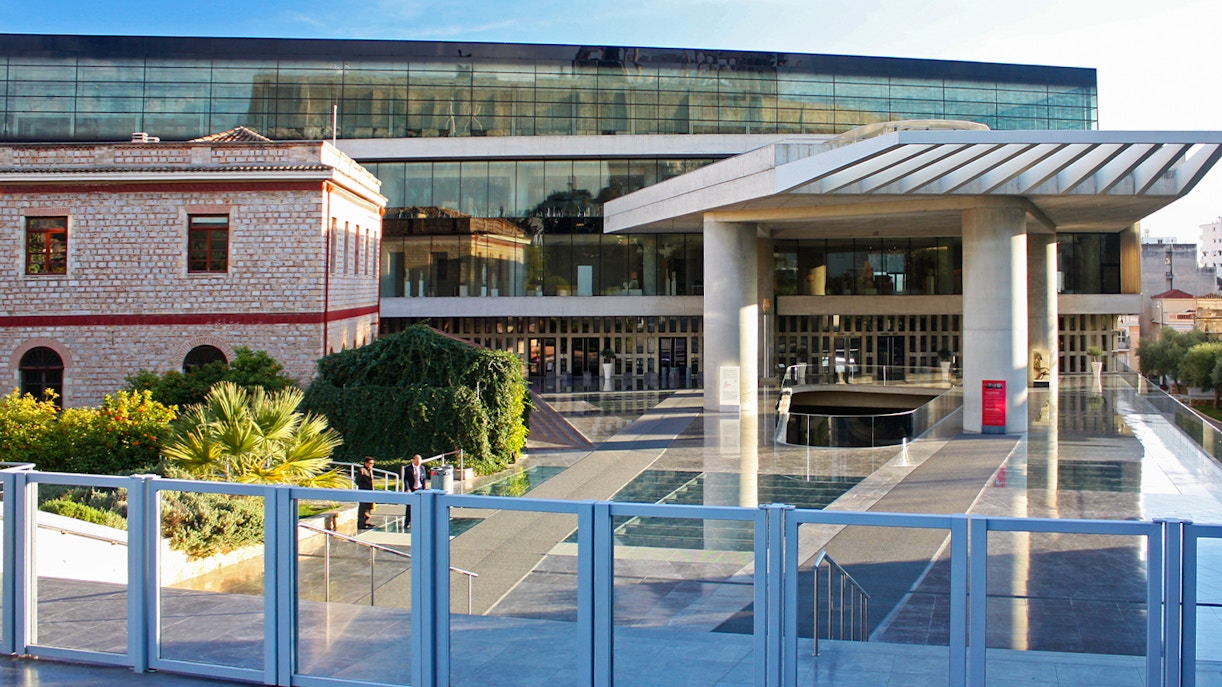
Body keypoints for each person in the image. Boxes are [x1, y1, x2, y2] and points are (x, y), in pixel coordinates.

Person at [404, 454, 429, 528]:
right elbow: (406, 479)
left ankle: (420, 521)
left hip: (420, 488)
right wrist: (407, 488)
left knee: (421, 505)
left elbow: (423, 479)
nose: (418, 462)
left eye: (419, 461)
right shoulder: (408, 468)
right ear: (413, 460)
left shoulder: (422, 468)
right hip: (412, 489)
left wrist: (424, 488)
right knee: (409, 506)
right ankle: (407, 522)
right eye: (417, 460)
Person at [355, 456, 375, 530]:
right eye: (370, 463)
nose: (371, 465)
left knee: (368, 508)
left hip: (370, 492)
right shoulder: (362, 470)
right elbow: (357, 481)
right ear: (365, 463)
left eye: (372, 463)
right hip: (364, 491)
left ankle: (366, 521)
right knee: (363, 508)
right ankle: (361, 523)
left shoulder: (370, 470)